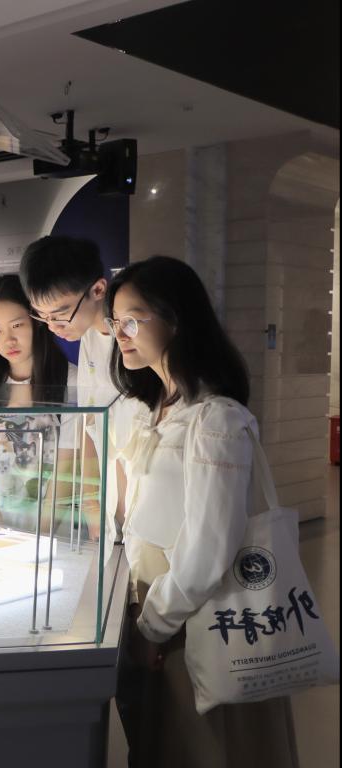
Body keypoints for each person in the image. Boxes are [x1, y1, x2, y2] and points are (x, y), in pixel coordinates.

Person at [108, 255, 298, 768]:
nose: (120, 334)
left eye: (132, 320)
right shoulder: (156, 410)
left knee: (203, 745)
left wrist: (153, 626)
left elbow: (208, 549)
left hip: (196, 614)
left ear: (176, 318)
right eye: (115, 322)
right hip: (156, 601)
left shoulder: (216, 419)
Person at [0, 275, 79, 533]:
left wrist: (41, 536)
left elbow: (66, 470)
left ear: (37, 321)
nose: (8, 340)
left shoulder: (72, 381)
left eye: (17, 325)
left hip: (52, 532)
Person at [19, 236, 121, 542]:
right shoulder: (89, 336)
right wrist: (92, 507)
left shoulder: (133, 344)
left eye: (60, 314)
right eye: (42, 315)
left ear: (98, 289)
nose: (52, 326)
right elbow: (91, 423)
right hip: (109, 512)